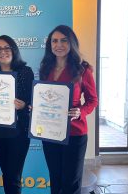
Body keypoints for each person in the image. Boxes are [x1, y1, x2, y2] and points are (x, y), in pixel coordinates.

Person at [39, 25, 98, 194]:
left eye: (63, 40)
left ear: (71, 43)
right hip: (50, 132)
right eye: (54, 41)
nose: (58, 45)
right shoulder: (46, 68)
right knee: (55, 179)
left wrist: (81, 111)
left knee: (71, 183)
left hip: (75, 133)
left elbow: (93, 100)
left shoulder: (82, 69)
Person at [0, 35, 34, 194]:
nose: (3, 52)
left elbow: (32, 104)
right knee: (7, 174)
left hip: (19, 133)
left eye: (7, 48)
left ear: (14, 50)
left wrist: (23, 106)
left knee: (13, 176)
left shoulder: (25, 72)